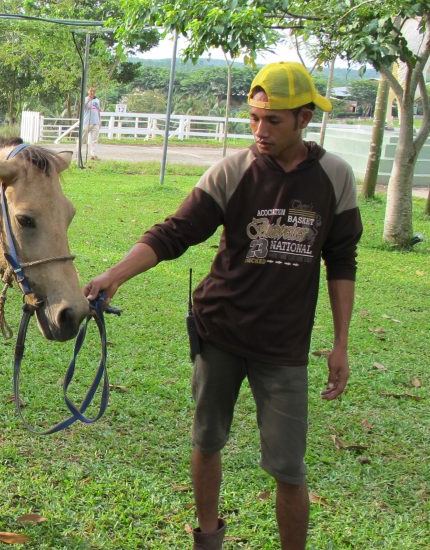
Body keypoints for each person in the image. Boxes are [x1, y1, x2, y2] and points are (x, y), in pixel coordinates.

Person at [83, 62, 362, 550]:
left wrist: (340, 343)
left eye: (273, 120)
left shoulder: (335, 177)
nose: (259, 130)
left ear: (304, 120)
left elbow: (341, 260)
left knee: (289, 467)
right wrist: (115, 275)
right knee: (207, 438)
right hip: (219, 333)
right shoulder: (233, 171)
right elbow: (174, 232)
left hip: (284, 348)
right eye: (254, 118)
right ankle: (207, 538)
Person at [82, 87, 102, 160]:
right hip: (86, 122)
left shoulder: (97, 100)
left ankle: (93, 155)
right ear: (88, 92)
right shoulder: (85, 99)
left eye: (93, 91)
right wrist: (88, 100)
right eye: (91, 91)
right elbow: (83, 107)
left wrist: (99, 121)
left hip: (95, 122)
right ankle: (78, 153)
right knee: (82, 138)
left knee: (94, 140)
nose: (92, 93)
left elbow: (98, 111)